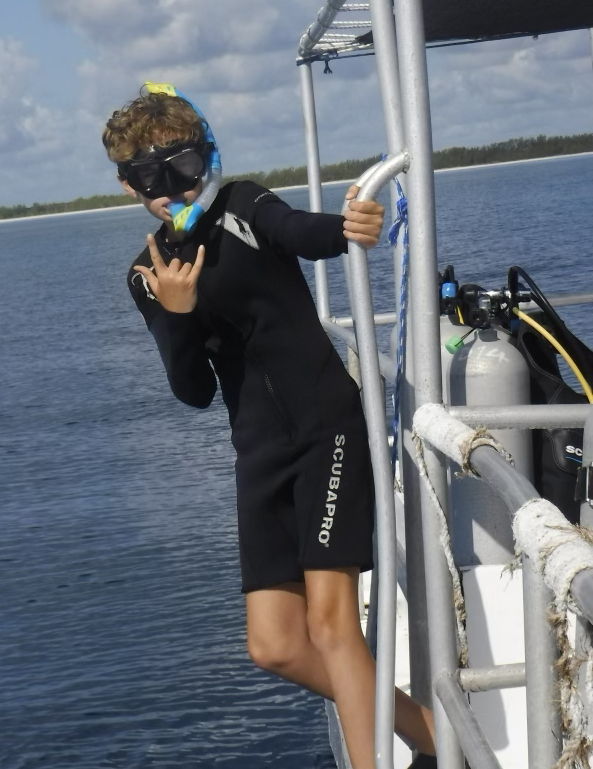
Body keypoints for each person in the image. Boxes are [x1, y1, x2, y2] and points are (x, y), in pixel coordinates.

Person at [103, 84, 437, 769]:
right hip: (258, 455)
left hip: (327, 428)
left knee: (332, 623)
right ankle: (430, 731)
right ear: (128, 185)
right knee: (276, 645)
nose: (172, 190)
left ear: (208, 156)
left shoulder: (242, 205)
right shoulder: (146, 275)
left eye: (184, 167)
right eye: (151, 179)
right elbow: (194, 390)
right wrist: (178, 314)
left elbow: (297, 230)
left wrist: (347, 227)